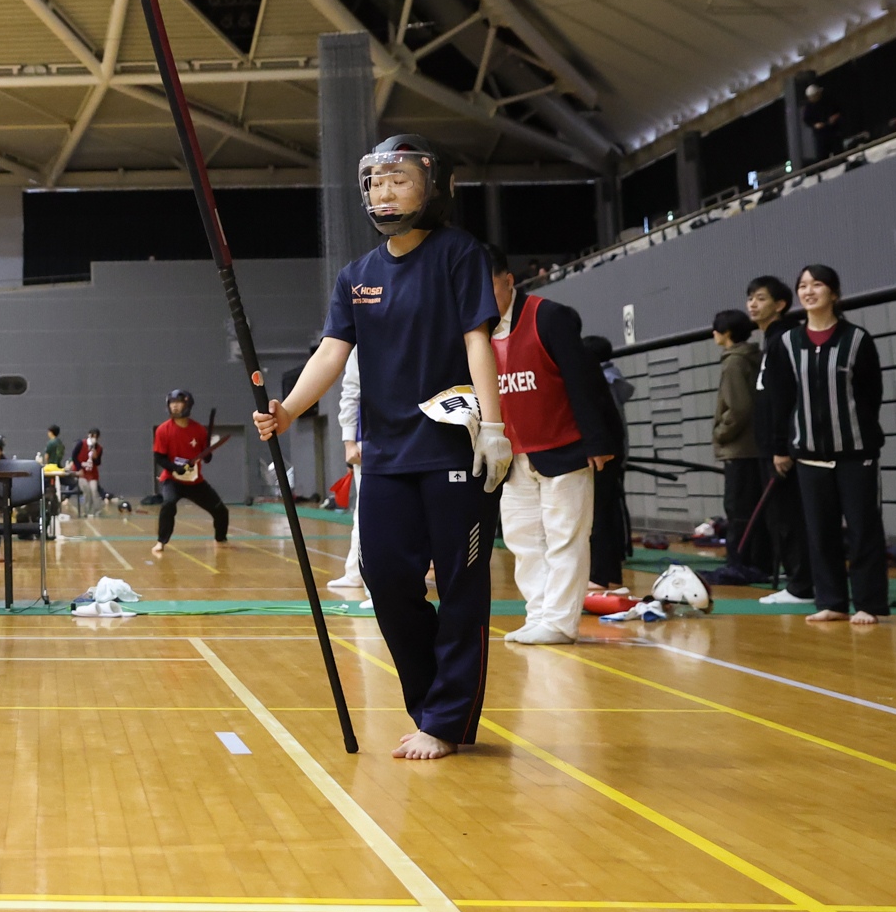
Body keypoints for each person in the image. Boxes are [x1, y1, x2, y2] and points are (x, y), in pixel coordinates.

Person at [254, 135, 505, 761]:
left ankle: (445, 720)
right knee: (385, 579)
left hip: (454, 449)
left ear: (432, 186)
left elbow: (477, 341)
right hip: (387, 455)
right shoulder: (357, 277)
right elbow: (331, 353)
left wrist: (496, 427)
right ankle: (430, 704)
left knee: (461, 587)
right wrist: (288, 410)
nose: (384, 193)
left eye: (399, 181)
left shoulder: (459, 254)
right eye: (375, 183)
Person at [485, 246, 622, 646]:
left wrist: (597, 440)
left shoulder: (548, 316)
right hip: (513, 453)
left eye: (487, 287)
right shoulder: (474, 331)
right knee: (522, 539)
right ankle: (539, 614)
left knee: (565, 537)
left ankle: (560, 622)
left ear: (509, 280)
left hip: (563, 445)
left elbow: (584, 382)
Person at [762, 264, 889, 625]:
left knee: (863, 530)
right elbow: (780, 399)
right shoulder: (786, 343)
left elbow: (871, 395)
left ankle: (868, 603)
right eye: (803, 285)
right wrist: (781, 447)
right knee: (820, 532)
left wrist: (861, 435)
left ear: (834, 293)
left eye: (817, 284)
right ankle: (832, 601)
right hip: (809, 456)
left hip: (856, 454)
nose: (808, 291)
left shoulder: (857, 339)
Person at [745, 275, 812, 604]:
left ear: (780, 304)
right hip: (770, 446)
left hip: (783, 448)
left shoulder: (785, 338)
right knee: (780, 516)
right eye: (750, 298)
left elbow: (784, 398)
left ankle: (802, 585)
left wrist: (781, 446)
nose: (752, 304)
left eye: (760, 298)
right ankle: (798, 577)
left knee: (789, 516)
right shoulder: (770, 340)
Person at [711, 310, 772, 580]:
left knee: (738, 510)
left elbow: (739, 407)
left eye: (716, 329)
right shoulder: (753, 357)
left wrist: (721, 433)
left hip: (740, 449)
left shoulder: (734, 362)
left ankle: (739, 565)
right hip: (755, 447)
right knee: (752, 509)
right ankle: (757, 563)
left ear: (726, 333)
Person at [583, 335, 634, 593]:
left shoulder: (599, 379)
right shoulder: (608, 378)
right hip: (611, 452)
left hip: (604, 455)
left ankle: (602, 575)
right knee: (607, 512)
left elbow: (606, 420)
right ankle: (610, 574)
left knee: (600, 515)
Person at [151, 389, 229, 555]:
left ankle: (220, 540)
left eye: (178, 403)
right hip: (172, 479)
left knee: (221, 511)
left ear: (187, 405)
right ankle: (161, 542)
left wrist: (207, 454)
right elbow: (159, 457)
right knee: (168, 504)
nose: (175, 406)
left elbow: (206, 459)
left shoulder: (199, 430)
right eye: (172, 403)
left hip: (195, 482)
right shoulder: (163, 430)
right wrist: (174, 468)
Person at [329, 351, 367, 594]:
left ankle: (380, 588)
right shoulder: (359, 347)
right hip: (369, 442)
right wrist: (349, 441)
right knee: (364, 513)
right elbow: (351, 391)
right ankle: (356, 574)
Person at [69, 429, 103, 518]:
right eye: (92, 436)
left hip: (92, 474)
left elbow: (98, 462)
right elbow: (74, 456)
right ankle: (86, 511)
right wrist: (79, 469)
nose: (94, 439)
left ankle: (97, 511)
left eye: (96, 437)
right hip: (82, 473)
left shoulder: (99, 448)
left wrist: (95, 458)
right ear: (89, 435)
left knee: (94, 490)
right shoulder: (81, 444)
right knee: (86, 490)